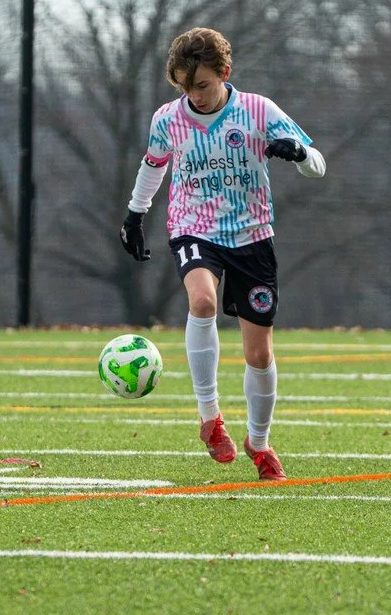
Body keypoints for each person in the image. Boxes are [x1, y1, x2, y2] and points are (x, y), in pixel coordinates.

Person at [119, 28, 325, 481]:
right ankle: (210, 417)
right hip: (194, 229)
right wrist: (135, 215)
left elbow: (318, 165)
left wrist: (299, 153)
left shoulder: (258, 110)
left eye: (202, 85)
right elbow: (154, 166)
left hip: (252, 237)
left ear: (225, 73)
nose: (194, 95)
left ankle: (259, 442)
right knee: (202, 301)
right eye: (184, 87)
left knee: (259, 355)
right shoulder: (167, 119)